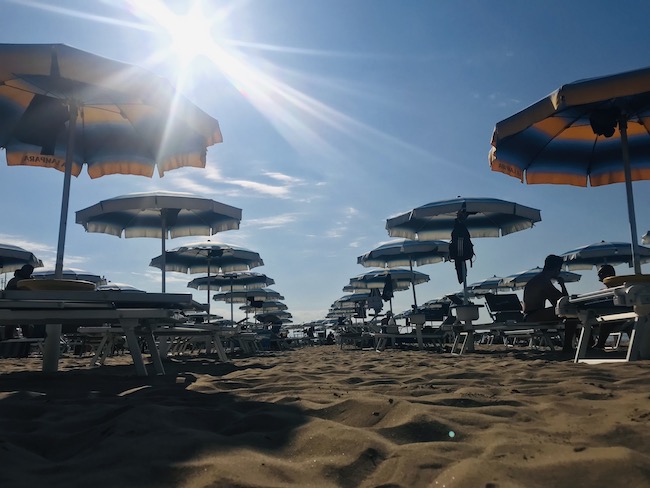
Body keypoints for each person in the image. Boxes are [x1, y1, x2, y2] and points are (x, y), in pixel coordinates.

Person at [523, 255, 575, 352]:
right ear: (556, 269)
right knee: (572, 313)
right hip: (534, 316)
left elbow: (559, 302)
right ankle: (568, 347)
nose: (559, 272)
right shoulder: (543, 281)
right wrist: (562, 285)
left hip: (531, 315)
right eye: (559, 269)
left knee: (570, 312)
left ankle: (576, 344)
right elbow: (562, 301)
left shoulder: (539, 279)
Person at [2, 264, 35, 340]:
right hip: (14, 306)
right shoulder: (15, 281)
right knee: (12, 324)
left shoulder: (27, 281)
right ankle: (9, 341)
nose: (29, 273)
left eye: (30, 272)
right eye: (29, 271)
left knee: (24, 325)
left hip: (24, 306)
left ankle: (26, 342)